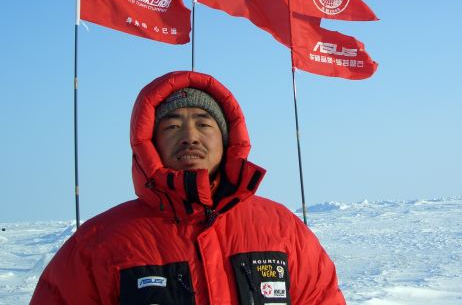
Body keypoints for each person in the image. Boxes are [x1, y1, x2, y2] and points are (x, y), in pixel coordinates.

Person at [31, 70, 346, 304]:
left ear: (226, 139)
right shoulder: (98, 243)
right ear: (150, 143)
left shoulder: (283, 230)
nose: (190, 136)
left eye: (204, 123)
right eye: (171, 126)